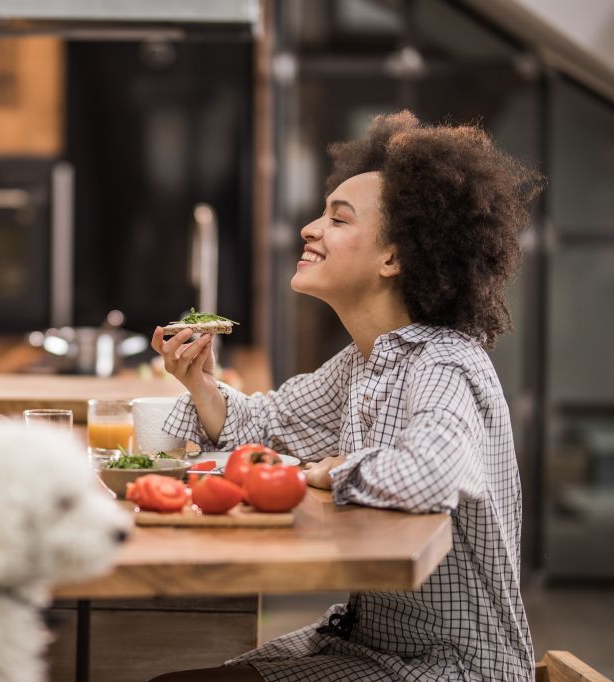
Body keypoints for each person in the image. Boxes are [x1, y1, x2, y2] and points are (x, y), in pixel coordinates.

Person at [149, 111, 543, 681]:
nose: (310, 228)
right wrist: (199, 382)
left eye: (338, 219)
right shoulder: (368, 360)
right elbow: (266, 423)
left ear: (393, 259)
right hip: (364, 644)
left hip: (448, 670)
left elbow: (434, 471)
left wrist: (333, 472)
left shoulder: (445, 364)